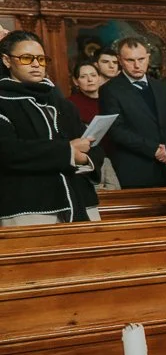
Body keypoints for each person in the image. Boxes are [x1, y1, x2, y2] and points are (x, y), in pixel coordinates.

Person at [0, 30, 99, 225]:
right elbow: (8, 151)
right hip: (29, 205)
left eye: (41, 59)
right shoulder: (3, 101)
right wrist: (67, 152)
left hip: (79, 200)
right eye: (27, 58)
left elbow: (92, 144)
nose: (36, 64)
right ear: (6, 60)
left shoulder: (63, 103)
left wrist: (84, 157)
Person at [97, 36, 166, 188]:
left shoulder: (161, 87)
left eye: (141, 59)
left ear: (148, 57)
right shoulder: (110, 90)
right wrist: (155, 150)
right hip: (136, 169)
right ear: (120, 60)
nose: (137, 65)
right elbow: (116, 130)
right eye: (130, 60)